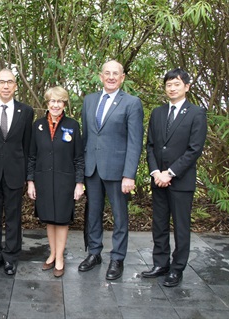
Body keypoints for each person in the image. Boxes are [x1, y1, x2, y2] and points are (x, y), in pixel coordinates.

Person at [142, 68, 207, 287]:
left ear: (186, 87)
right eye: (169, 84)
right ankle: (160, 263)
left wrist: (170, 173)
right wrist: (155, 172)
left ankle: (177, 268)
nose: (172, 88)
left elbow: (194, 149)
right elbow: (150, 145)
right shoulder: (158, 113)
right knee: (159, 224)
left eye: (176, 84)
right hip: (158, 179)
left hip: (181, 181)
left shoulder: (196, 113)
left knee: (181, 226)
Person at [80, 60, 144, 280]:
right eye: (107, 73)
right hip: (93, 169)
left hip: (118, 171)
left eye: (115, 73)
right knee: (93, 214)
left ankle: (117, 258)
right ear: (100, 76)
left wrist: (129, 174)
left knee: (119, 217)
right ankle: (94, 253)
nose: (111, 77)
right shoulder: (89, 101)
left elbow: (135, 142)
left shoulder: (132, 103)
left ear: (122, 77)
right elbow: (86, 137)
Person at [0, 68, 34, 275]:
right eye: (2, 82)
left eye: (10, 82)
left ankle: (10, 257)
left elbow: (28, 147)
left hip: (15, 172)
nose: (6, 86)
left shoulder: (25, 111)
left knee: (13, 217)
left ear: (16, 86)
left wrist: (29, 177)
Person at [27, 86, 84, 278]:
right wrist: (30, 181)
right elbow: (32, 156)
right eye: (52, 101)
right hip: (43, 180)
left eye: (59, 101)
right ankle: (52, 253)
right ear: (47, 103)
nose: (55, 105)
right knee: (49, 219)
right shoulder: (38, 126)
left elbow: (78, 157)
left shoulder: (73, 125)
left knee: (61, 219)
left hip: (65, 180)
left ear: (64, 103)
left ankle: (60, 257)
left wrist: (79, 183)